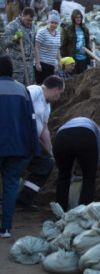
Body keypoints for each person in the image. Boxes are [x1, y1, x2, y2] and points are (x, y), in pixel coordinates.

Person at [0, 56, 40, 237]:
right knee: (10, 186)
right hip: (17, 147)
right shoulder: (22, 90)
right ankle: (6, 228)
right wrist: (34, 148)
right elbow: (31, 122)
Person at [17, 76, 64, 211]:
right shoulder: (34, 91)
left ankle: (24, 199)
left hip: (32, 143)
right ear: (55, 89)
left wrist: (50, 152)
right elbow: (20, 109)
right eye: (60, 92)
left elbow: (44, 129)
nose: (59, 96)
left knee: (45, 164)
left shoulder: (47, 104)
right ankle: (7, 199)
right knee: (16, 169)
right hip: (21, 139)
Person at [52, 117, 100, 211]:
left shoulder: (64, 126)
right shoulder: (95, 127)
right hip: (85, 136)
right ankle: (83, 212)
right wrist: (95, 165)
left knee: (63, 176)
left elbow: (57, 153)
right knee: (89, 177)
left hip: (61, 138)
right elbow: (98, 145)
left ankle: (60, 212)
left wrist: (62, 166)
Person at [3, 7, 37, 85]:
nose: (29, 22)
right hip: (17, 65)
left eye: (31, 20)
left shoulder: (32, 26)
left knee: (29, 89)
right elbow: (5, 42)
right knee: (17, 87)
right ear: (22, 15)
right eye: (28, 20)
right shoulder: (13, 26)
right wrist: (14, 38)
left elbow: (33, 44)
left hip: (29, 65)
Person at [34, 11, 62, 84]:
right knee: (41, 85)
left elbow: (57, 48)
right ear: (48, 22)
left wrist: (59, 61)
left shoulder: (58, 34)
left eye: (55, 23)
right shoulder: (42, 33)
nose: (53, 25)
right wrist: (37, 63)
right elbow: (36, 47)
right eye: (51, 22)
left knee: (50, 85)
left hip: (51, 64)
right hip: (42, 63)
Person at [60, 9, 91, 74]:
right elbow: (63, 46)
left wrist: (90, 56)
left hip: (83, 59)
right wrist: (66, 60)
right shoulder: (67, 30)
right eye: (76, 17)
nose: (78, 19)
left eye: (80, 17)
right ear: (73, 18)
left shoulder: (85, 30)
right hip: (73, 59)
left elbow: (88, 43)